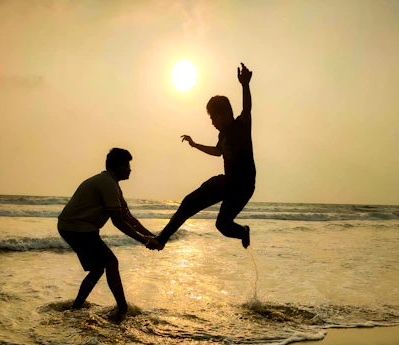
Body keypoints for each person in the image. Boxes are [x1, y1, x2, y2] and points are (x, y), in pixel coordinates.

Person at [148, 62, 255, 251]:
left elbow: (247, 109)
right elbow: (217, 152)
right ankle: (162, 239)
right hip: (227, 182)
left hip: (243, 186)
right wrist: (194, 144)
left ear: (222, 115)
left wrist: (245, 85)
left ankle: (242, 232)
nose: (212, 122)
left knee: (223, 225)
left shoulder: (241, 126)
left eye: (213, 117)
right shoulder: (222, 135)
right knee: (190, 202)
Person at [58, 148, 162, 316]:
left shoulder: (112, 184)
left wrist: (152, 236)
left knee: (98, 268)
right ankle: (122, 308)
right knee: (111, 262)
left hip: (76, 227)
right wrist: (146, 241)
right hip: (77, 227)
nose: (130, 169)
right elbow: (118, 222)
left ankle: (76, 307)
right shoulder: (108, 184)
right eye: (127, 165)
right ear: (118, 166)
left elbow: (128, 217)